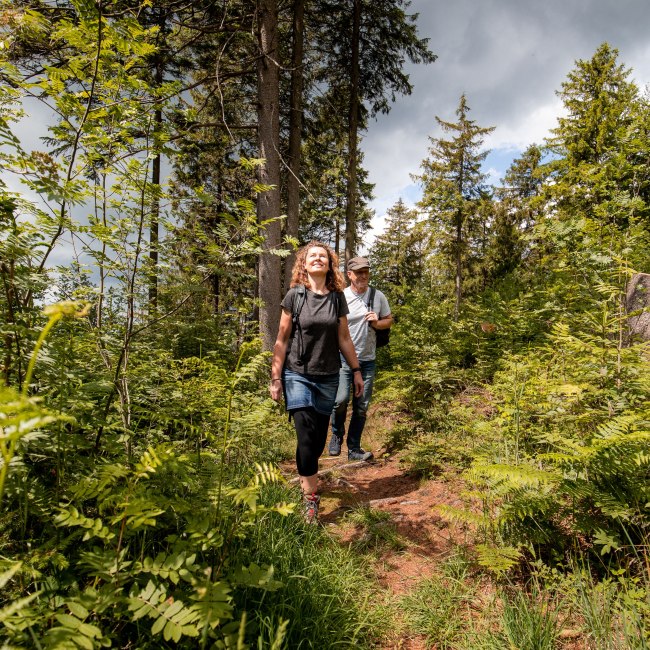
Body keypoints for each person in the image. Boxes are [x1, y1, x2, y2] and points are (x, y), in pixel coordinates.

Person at [270, 241, 364, 524]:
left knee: (317, 441)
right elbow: (282, 339)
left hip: (328, 375)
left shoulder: (337, 298)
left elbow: (344, 338)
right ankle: (310, 499)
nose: (318, 259)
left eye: (323, 256)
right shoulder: (294, 296)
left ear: (329, 264)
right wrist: (275, 377)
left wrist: (356, 370)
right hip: (297, 373)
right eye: (313, 256)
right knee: (306, 438)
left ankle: (305, 476)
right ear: (304, 263)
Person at [328, 257, 393, 461]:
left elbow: (389, 321)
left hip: (367, 359)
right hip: (343, 359)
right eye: (358, 272)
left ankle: (354, 448)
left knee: (362, 405)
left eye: (366, 271)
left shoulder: (377, 296)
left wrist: (377, 322)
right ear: (349, 275)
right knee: (339, 401)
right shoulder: (341, 296)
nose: (363, 276)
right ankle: (337, 433)